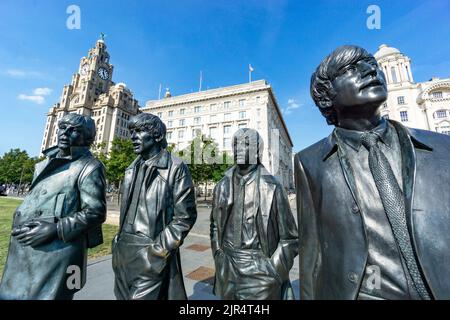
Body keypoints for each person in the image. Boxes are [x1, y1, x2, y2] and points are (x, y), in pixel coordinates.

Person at [294, 45, 450, 300]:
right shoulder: (309, 162)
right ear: (325, 96)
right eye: (351, 69)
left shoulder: (443, 147)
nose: (370, 70)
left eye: (372, 64)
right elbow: (311, 253)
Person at [0, 113, 106, 300]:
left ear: (86, 137)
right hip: (23, 252)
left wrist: (57, 228)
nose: (65, 133)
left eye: (74, 130)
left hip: (55, 254)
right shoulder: (42, 165)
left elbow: (96, 212)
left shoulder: (90, 167)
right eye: (62, 127)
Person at [112, 113, 197, 300]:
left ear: (157, 136)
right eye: (131, 132)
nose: (133, 137)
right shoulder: (130, 169)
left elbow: (185, 217)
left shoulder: (175, 167)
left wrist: (158, 251)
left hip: (151, 251)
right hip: (123, 252)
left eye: (140, 131)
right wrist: (117, 243)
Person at [210, 128, 298, 300]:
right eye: (236, 144)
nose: (240, 148)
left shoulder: (273, 186)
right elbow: (214, 225)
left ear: (258, 150)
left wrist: (273, 271)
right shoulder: (222, 185)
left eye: (247, 144)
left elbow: (290, 238)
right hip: (227, 267)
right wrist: (219, 254)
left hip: (260, 271)